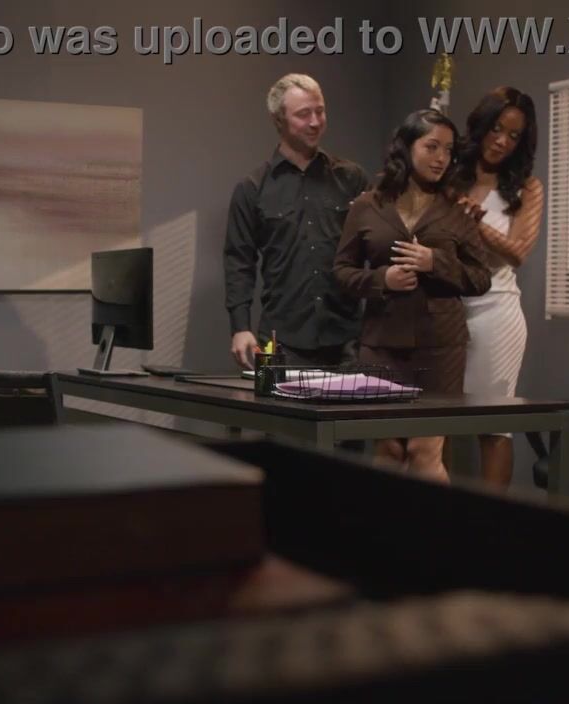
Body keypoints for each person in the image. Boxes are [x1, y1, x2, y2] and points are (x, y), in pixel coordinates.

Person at [332, 109, 492, 483]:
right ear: (406, 147)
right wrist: (382, 280)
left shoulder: (456, 211)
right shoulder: (367, 206)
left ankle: (439, 524)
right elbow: (341, 271)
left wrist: (435, 261)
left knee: (424, 450)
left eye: (448, 150)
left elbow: (480, 278)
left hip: (440, 348)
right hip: (381, 344)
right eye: (431, 147)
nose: (441, 158)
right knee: (388, 449)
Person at [223, 73, 370, 369]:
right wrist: (240, 327)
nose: (315, 122)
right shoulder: (253, 188)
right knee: (273, 401)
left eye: (320, 111)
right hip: (280, 340)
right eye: (304, 114)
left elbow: (376, 246)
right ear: (279, 120)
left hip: (346, 339)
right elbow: (239, 261)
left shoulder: (351, 178)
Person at [444, 87, 544, 490]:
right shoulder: (450, 179)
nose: (502, 141)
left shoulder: (527, 189)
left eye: (514, 135)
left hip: (496, 314)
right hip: (446, 311)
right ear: (481, 125)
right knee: (436, 424)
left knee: (493, 426)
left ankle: (491, 520)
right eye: (497, 129)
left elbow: (518, 252)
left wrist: (476, 222)